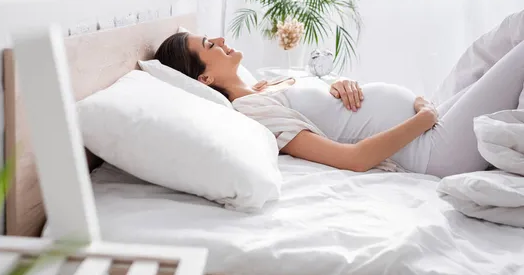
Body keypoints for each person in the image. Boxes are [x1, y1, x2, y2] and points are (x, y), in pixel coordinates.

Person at [153, 18, 524, 177]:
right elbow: (353, 158)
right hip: (433, 149)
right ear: (205, 77)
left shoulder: (264, 87)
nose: (218, 40)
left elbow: (336, 115)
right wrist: (423, 119)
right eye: (207, 45)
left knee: (505, 35)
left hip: (430, 121)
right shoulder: (251, 111)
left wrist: (339, 85)